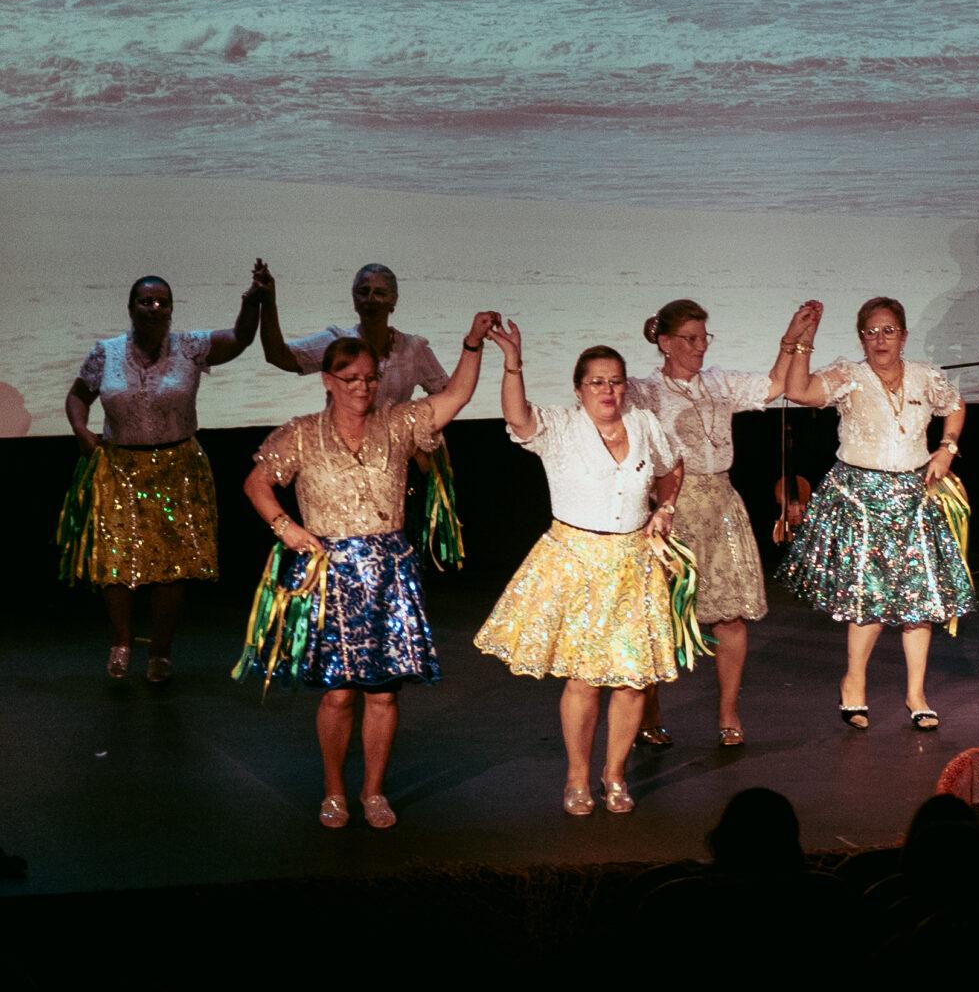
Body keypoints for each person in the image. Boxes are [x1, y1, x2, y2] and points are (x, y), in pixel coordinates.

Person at [243, 315, 495, 828]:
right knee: (338, 693)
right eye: (350, 378)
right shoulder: (301, 435)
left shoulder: (399, 423)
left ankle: (373, 791)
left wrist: (471, 342)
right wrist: (286, 529)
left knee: (383, 692)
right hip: (331, 575)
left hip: (387, 573)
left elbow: (458, 396)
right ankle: (334, 790)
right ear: (328, 381)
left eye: (370, 377)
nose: (362, 387)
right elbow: (256, 484)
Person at [475, 327, 686, 816]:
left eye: (615, 381)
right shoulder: (560, 427)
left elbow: (672, 466)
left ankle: (614, 776)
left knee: (632, 678)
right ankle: (576, 778)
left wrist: (666, 506)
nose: (608, 391)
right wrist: (513, 362)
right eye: (596, 382)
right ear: (578, 389)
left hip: (634, 563)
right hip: (577, 562)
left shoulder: (644, 423)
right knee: (585, 679)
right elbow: (517, 418)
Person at [63, 265, 271, 682]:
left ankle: (160, 650)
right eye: (145, 301)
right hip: (119, 467)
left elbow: (240, 339)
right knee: (116, 564)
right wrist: (82, 430)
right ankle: (121, 642)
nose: (154, 309)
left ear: (172, 309)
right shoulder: (106, 351)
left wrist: (253, 301)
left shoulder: (191, 347)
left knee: (173, 567)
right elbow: (77, 396)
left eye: (162, 303)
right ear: (130, 307)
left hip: (178, 468)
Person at [625, 298, 814, 749]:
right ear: (666, 343)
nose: (699, 347)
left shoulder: (719, 381)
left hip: (722, 504)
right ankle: (648, 712)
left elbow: (772, 386)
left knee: (730, 617)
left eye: (704, 337)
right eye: (689, 339)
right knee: (661, 617)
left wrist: (793, 339)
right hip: (671, 507)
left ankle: (728, 713)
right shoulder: (644, 391)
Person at [779, 297, 974, 731]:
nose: (880, 339)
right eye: (871, 331)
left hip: (913, 493)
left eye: (889, 331)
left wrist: (947, 448)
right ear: (860, 337)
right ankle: (854, 683)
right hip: (860, 497)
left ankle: (917, 693)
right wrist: (802, 341)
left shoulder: (925, 376)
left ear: (903, 335)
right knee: (866, 597)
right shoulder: (850, 376)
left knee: (919, 601)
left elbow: (955, 406)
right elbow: (798, 391)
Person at [260, 262, 450, 404]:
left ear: (393, 300)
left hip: (390, 454)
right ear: (354, 299)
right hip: (340, 452)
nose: (370, 299)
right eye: (364, 291)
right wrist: (268, 301)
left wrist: (414, 426)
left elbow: (447, 395)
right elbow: (278, 356)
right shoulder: (336, 343)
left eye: (380, 293)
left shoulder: (413, 349)